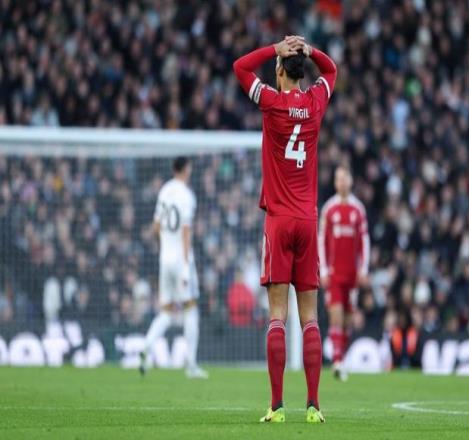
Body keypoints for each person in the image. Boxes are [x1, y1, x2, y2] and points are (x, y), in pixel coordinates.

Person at [233, 35, 337, 423]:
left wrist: (275, 48)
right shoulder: (315, 103)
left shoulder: (271, 103)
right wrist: (311, 52)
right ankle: (313, 406)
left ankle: (276, 407)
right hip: (308, 222)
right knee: (310, 318)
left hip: (278, 222)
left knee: (277, 315)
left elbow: (240, 67)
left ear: (279, 72)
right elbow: (332, 71)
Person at [139, 157, 208, 379]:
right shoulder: (186, 195)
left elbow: (156, 227)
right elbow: (186, 230)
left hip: (165, 259)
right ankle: (191, 365)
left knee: (167, 311)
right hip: (181, 260)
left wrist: (165, 247)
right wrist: (186, 265)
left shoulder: (164, 191)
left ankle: (146, 346)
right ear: (186, 170)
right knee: (190, 308)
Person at [319, 166, 370, 381]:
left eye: (344, 178)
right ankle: (337, 361)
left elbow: (365, 241)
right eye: (338, 178)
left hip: (352, 274)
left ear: (350, 181)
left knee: (348, 321)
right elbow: (321, 240)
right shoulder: (329, 209)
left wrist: (363, 269)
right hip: (334, 273)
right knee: (336, 315)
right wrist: (323, 269)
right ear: (335, 183)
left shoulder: (358, 209)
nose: (341, 182)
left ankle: (341, 357)